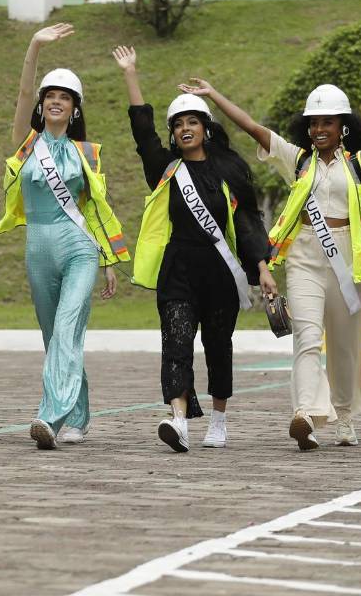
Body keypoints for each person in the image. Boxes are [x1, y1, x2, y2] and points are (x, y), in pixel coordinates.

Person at [181, 76, 361, 450]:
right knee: (307, 337)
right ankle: (304, 415)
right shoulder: (297, 160)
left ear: (342, 126)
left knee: (345, 346)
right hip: (303, 253)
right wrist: (214, 95)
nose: (318, 129)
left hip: (348, 257)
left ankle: (344, 415)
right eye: (313, 122)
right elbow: (252, 128)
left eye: (327, 122)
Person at [115, 46, 275, 452]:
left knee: (219, 347)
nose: (185, 129)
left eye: (193, 122)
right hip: (179, 271)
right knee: (176, 342)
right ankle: (179, 420)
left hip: (221, 275)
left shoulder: (229, 168)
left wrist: (261, 267)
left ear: (206, 127)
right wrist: (131, 74)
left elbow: (246, 221)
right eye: (178, 124)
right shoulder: (166, 168)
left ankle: (218, 419)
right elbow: (142, 133)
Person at [0, 25, 127, 450]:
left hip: (78, 247)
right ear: (41, 105)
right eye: (49, 95)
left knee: (67, 330)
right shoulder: (26, 145)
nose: (55, 101)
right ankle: (79, 417)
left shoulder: (86, 154)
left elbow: (96, 210)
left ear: (74, 109)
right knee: (55, 338)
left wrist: (107, 260)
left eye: (64, 97)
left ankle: (49, 416)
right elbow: (20, 95)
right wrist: (34, 46)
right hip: (38, 248)